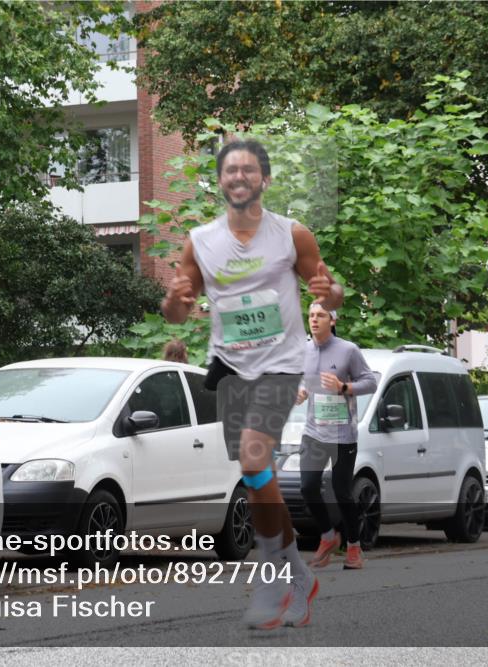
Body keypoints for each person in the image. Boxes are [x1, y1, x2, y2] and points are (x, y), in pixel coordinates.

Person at [161, 139, 343, 629]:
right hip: (231, 366)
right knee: (257, 478)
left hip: (281, 364)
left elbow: (330, 288)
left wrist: (332, 292)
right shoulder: (200, 241)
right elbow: (177, 311)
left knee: (255, 459)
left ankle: (268, 575)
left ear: (264, 178)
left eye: (248, 170)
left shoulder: (292, 235)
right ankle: (299, 574)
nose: (238, 177)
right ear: (220, 182)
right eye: (229, 171)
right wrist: (175, 299)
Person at [295, 305, 377, 569]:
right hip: (313, 432)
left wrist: (344, 387)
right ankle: (328, 536)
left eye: (320, 315)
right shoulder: (303, 350)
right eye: (311, 315)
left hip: (343, 433)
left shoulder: (348, 350)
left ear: (332, 320)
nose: (314, 320)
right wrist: (298, 392)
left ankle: (353, 546)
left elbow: (370, 382)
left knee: (342, 491)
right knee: (307, 487)